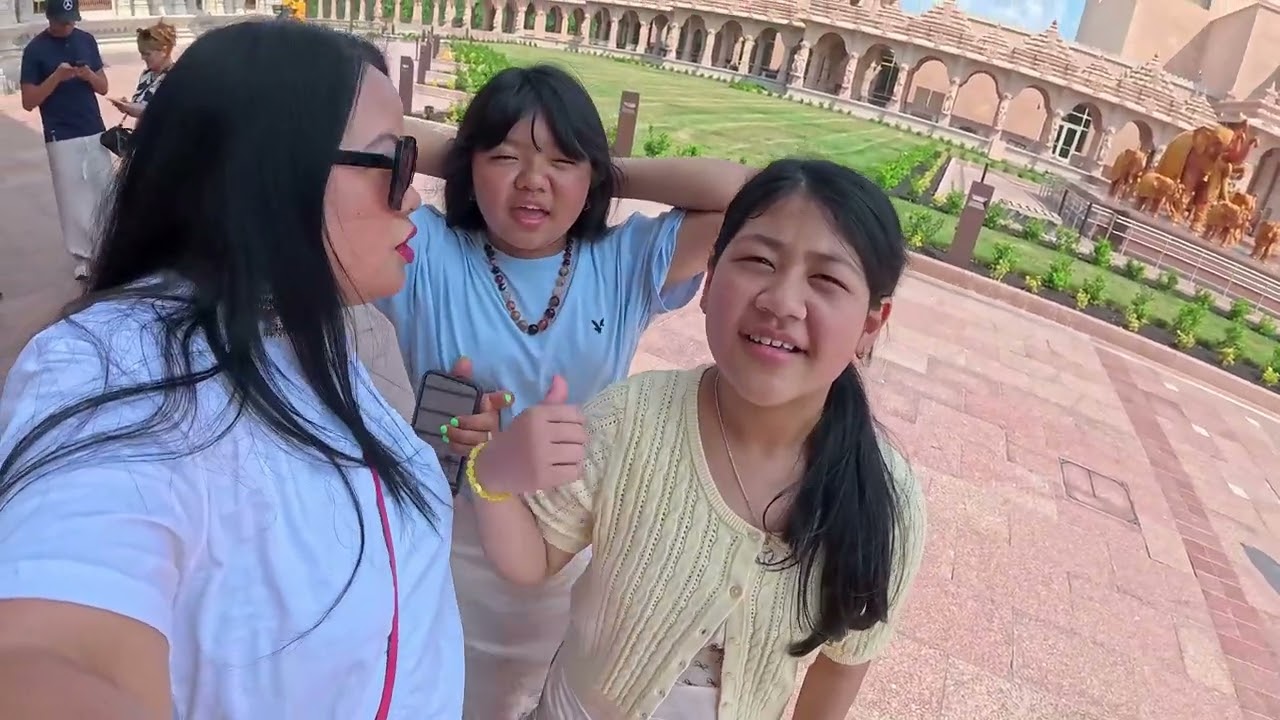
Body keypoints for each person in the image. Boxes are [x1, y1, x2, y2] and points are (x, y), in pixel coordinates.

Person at [0, 21, 462, 718]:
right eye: (393, 162)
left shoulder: (306, 325)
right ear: (271, 170)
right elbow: (52, 651)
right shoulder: (116, 365)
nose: (414, 197)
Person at [467, 158, 927, 719]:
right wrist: (493, 471)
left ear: (870, 325)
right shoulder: (629, 420)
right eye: (758, 260)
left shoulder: (886, 497)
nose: (781, 302)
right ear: (708, 283)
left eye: (826, 279)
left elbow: (841, 666)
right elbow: (533, 560)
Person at [386, 65, 753, 718]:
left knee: (518, 697)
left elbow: (739, 193)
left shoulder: (621, 263)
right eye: (505, 159)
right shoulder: (432, 252)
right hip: (442, 540)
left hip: (561, 546)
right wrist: (467, 154)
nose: (533, 181)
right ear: (467, 167)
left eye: (562, 161)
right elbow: (362, 142)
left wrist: (605, 171)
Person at [19, 0, 114, 281]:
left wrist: (87, 76)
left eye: (72, 20)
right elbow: (28, 101)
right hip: (60, 133)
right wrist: (56, 78)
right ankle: (83, 256)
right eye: (63, 21)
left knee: (103, 190)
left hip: (93, 126)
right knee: (71, 197)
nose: (68, 26)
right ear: (50, 18)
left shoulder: (86, 40)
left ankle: (108, 247)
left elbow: (104, 86)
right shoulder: (35, 50)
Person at [108, 19, 177, 120]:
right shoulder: (147, 74)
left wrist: (129, 108)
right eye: (141, 53)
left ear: (164, 51)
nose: (143, 58)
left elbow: (161, 111)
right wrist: (128, 105)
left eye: (147, 54)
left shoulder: (175, 76)